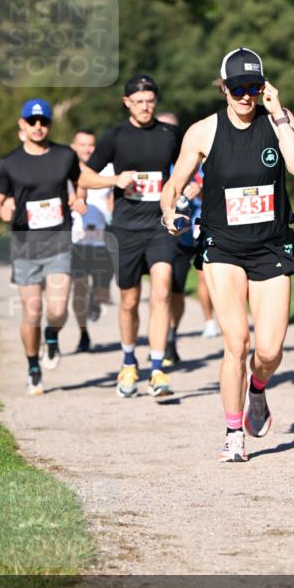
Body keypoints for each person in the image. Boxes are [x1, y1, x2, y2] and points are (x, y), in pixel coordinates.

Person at [160, 47, 294, 462]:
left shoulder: (278, 122)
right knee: (237, 343)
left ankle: (258, 389)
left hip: (270, 247)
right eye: (238, 87)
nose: (246, 96)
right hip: (222, 247)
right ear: (223, 87)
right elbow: (174, 184)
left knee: (269, 351)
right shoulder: (203, 132)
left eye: (254, 87)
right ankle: (232, 434)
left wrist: (278, 112)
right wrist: (169, 208)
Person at [78, 75, 181, 398]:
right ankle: (127, 362)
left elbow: (192, 165)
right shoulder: (115, 137)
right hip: (125, 227)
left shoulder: (169, 135)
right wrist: (115, 180)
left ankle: (158, 367)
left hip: (160, 225)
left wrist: (189, 185)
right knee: (130, 299)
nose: (145, 107)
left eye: (150, 101)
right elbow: (84, 175)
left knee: (162, 290)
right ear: (127, 103)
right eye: (139, 101)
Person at [0, 99, 86, 394]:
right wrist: (1, 210)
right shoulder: (10, 162)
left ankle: (52, 336)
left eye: (43, 121)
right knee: (31, 311)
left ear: (49, 124)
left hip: (59, 240)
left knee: (57, 309)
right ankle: (33, 365)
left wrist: (79, 197)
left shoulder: (65, 155)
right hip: (25, 246)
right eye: (32, 122)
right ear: (22, 125)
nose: (38, 126)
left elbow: (80, 181)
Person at [156, 112, 219, 368]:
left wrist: (202, 190)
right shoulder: (163, 165)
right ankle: (168, 337)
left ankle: (180, 332)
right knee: (174, 289)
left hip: (204, 229)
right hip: (178, 235)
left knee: (194, 284)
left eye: (173, 129)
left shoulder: (201, 157)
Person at [70, 129, 115, 353]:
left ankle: (96, 300)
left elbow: (115, 195)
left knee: (102, 291)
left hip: (102, 239)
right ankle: (83, 334)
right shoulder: (66, 171)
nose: (87, 149)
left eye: (90, 145)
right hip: (75, 239)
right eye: (82, 145)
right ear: (73, 147)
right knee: (79, 288)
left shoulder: (107, 170)